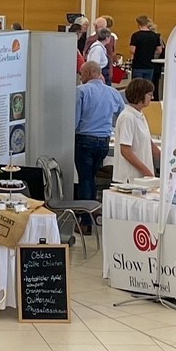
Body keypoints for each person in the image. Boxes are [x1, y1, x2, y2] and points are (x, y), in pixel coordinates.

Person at [74, 62, 122, 227]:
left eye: (81, 74)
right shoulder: (113, 93)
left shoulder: (81, 91)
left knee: (85, 179)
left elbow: (75, 120)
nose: (80, 77)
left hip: (84, 140)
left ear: (87, 73)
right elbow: (122, 115)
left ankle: (85, 220)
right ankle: (93, 213)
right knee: (92, 178)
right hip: (103, 142)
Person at [112, 79, 155, 184]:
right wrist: (147, 172)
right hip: (130, 178)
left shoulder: (139, 115)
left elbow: (150, 144)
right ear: (140, 96)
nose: (152, 98)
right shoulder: (128, 117)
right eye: (149, 95)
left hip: (142, 177)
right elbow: (125, 151)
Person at [127, 15, 162, 82]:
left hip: (138, 65)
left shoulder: (135, 35)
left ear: (138, 24)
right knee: (147, 86)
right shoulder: (154, 36)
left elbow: (132, 50)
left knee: (138, 86)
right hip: (150, 66)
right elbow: (159, 50)